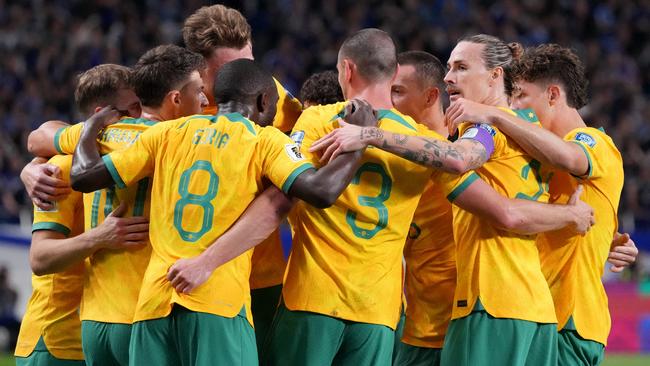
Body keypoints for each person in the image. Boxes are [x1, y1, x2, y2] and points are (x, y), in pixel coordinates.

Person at [271, 30, 594, 366]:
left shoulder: (484, 131)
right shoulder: (530, 132)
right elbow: (567, 176)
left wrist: (369, 133)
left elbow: (469, 170)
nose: (449, 77)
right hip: (526, 308)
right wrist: (575, 218)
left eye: (461, 68)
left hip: (486, 301)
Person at [68, 59, 376, 366]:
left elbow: (83, 176)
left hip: (153, 305)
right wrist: (360, 138)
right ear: (263, 101)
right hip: (217, 300)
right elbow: (321, 191)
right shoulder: (263, 140)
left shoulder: (168, 133)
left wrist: (89, 128)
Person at [21, 46, 208, 366]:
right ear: (101, 116)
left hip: (95, 323)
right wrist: (100, 236)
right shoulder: (56, 172)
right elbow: (39, 258)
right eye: (131, 108)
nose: (139, 116)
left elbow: (40, 135)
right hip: (56, 336)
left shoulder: (105, 143)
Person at [445, 43, 628, 365]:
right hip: (536, 312)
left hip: (571, 318)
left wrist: (493, 114)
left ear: (553, 95)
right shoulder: (537, 161)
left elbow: (568, 157)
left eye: (522, 97)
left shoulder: (594, 144)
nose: (516, 108)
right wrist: (609, 236)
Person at [183, 7, 302, 350]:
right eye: (229, 70)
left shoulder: (272, 96)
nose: (244, 75)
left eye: (248, 61)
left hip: (258, 278)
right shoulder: (175, 97)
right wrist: (37, 164)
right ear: (198, 68)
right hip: (181, 275)